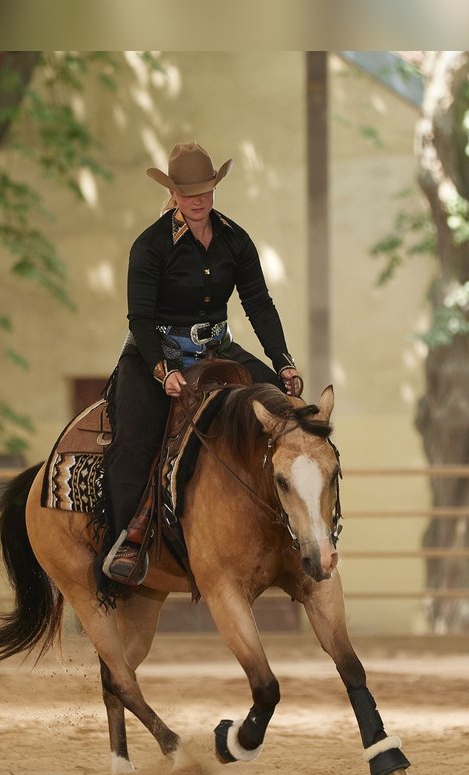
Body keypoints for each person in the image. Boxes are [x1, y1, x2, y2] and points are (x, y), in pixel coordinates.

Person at [100, 142, 303, 585]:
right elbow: (140, 319)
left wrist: (283, 362)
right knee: (133, 443)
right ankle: (125, 542)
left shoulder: (235, 239)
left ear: (215, 188)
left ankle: (295, 529)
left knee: (289, 416)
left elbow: (259, 303)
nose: (198, 199)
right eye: (188, 192)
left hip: (218, 349)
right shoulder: (150, 246)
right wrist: (163, 371)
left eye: (205, 190)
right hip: (155, 352)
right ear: (173, 193)